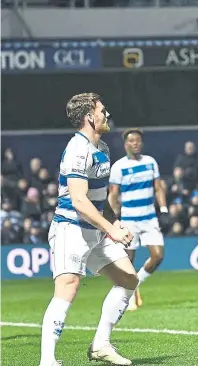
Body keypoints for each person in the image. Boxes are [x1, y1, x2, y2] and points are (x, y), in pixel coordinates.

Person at [40, 93, 137, 366]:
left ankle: (100, 345)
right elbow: (80, 201)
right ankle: (47, 360)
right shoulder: (77, 149)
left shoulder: (103, 148)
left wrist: (113, 221)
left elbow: (98, 196)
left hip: (95, 229)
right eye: (102, 111)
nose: (106, 114)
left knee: (128, 279)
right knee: (67, 286)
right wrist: (112, 230)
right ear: (89, 117)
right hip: (71, 229)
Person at [108, 128, 168, 311]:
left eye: (138, 141)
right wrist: (113, 219)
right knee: (128, 260)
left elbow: (158, 188)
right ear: (126, 144)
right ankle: (126, 295)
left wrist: (164, 209)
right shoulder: (119, 166)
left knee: (158, 256)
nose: (136, 144)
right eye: (132, 141)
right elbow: (113, 194)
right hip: (129, 220)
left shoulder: (151, 162)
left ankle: (137, 282)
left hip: (149, 218)